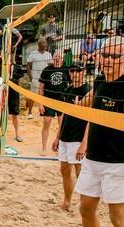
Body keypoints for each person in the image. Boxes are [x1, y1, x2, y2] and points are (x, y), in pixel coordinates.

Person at [74, 36, 124, 227]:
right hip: (94, 157)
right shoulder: (101, 79)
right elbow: (89, 108)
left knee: (118, 217)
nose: (109, 60)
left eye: (115, 56)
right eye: (106, 55)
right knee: (85, 207)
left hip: (119, 161)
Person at [52, 62, 90, 211]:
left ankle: (84, 207)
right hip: (65, 137)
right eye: (72, 70)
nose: (75, 73)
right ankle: (67, 202)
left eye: (78, 70)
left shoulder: (88, 91)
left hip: (78, 138)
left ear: (84, 72)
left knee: (80, 172)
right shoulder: (68, 89)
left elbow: (90, 120)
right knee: (64, 170)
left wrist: (84, 144)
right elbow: (63, 116)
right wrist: (57, 137)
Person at [38, 50, 70, 155]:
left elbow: (72, 84)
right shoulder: (47, 70)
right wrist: (40, 103)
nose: (57, 58)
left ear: (62, 58)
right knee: (46, 122)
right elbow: (41, 88)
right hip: (48, 100)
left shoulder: (67, 69)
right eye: (55, 56)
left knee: (62, 125)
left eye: (59, 57)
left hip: (62, 101)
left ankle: (60, 147)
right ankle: (43, 148)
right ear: (53, 58)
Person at [26, 39, 52, 119]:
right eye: (43, 43)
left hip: (46, 80)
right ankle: (30, 112)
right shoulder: (33, 54)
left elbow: (50, 66)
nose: (45, 44)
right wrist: (31, 77)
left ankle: (47, 112)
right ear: (39, 44)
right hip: (36, 78)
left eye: (46, 43)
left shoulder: (48, 54)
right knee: (33, 96)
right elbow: (28, 65)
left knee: (47, 95)